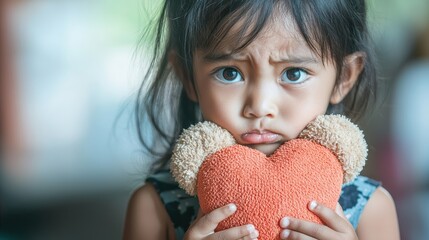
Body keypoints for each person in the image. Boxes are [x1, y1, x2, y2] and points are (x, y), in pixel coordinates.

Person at [123, 0, 400, 239]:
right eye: (229, 73)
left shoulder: (370, 210)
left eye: (293, 73)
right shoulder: (155, 208)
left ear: (344, 77)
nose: (260, 106)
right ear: (188, 78)